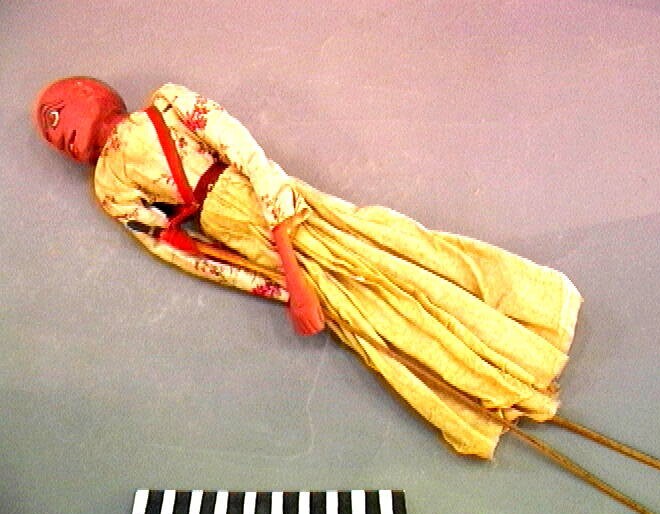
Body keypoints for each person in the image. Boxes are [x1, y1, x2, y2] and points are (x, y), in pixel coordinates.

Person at [33, 76, 582, 460]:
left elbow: (246, 152)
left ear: (93, 94)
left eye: (59, 114)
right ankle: (489, 393)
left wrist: (289, 256)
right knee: (369, 321)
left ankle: (531, 329)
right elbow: (182, 252)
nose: (57, 133)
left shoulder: (169, 104)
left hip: (281, 205)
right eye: (51, 135)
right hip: (238, 236)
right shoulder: (109, 188)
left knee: (395, 254)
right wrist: (276, 286)